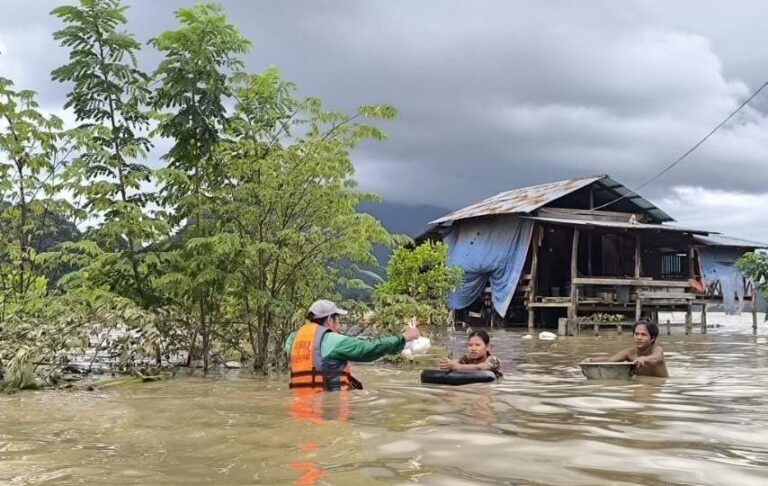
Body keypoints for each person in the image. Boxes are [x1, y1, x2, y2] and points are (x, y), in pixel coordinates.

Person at [285, 299, 420, 391]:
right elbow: (368, 349)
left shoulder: (292, 339)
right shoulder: (333, 341)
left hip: (300, 405)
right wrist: (403, 337)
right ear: (329, 320)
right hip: (328, 408)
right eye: (338, 320)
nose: (338, 325)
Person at [582, 319, 669, 377]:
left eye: (643, 334)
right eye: (636, 334)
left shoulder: (657, 349)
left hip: (659, 384)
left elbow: (657, 357)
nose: (639, 337)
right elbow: (610, 360)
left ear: (652, 338)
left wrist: (645, 359)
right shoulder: (630, 353)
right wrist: (591, 360)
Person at [438, 330, 503, 379]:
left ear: (487, 347)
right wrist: (448, 364)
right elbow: (454, 362)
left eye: (477, 345)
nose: (473, 349)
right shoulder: (467, 359)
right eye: (470, 345)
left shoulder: (493, 360)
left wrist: (458, 366)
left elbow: (480, 367)